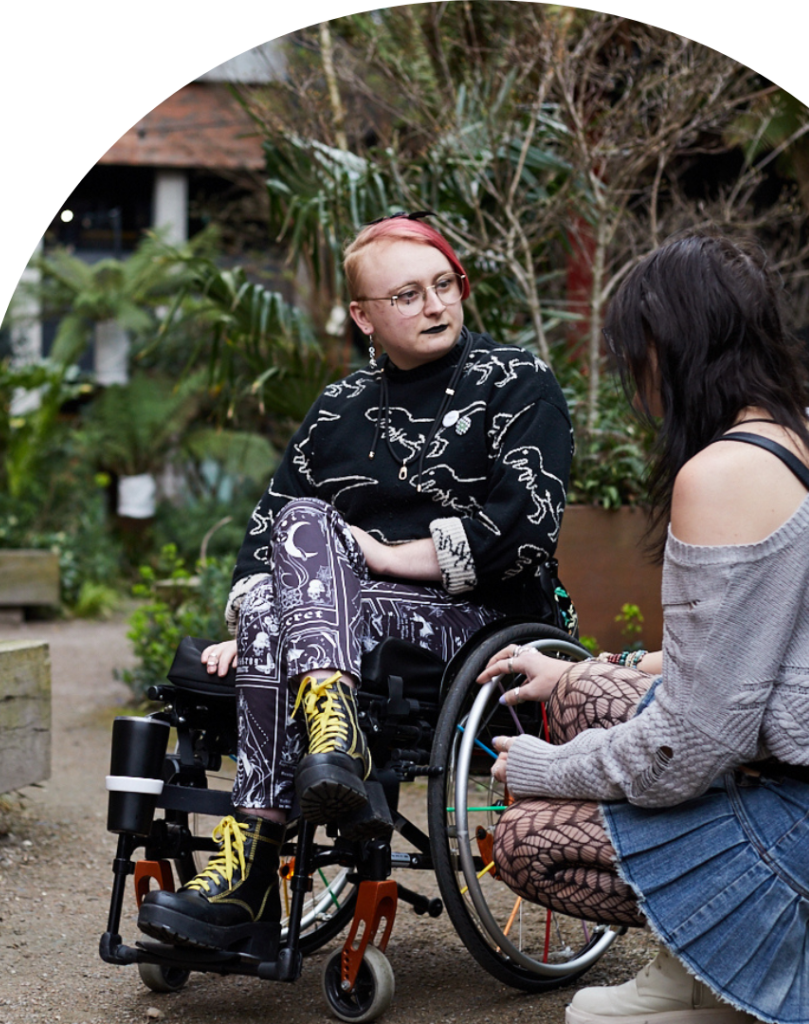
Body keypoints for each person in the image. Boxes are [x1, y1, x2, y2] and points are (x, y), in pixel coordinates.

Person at [476, 233, 809, 1024]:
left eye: (633, 357)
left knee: (525, 839)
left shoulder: (718, 475)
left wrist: (548, 767)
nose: (634, 382)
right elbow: (760, 658)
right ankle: (697, 968)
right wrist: (591, 672)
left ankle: (744, 976)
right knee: (585, 694)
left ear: (669, 348)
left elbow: (686, 750)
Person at [136, 211, 575, 957]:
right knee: (302, 521)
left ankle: (250, 872)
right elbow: (260, 548)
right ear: (363, 316)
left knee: (302, 570)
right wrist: (257, 619)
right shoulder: (337, 410)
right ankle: (330, 738)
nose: (435, 305)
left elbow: (525, 527)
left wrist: (381, 554)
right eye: (407, 295)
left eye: (444, 285)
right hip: (337, 627)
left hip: (480, 623)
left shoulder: (516, 382)